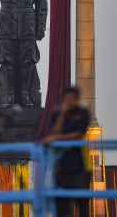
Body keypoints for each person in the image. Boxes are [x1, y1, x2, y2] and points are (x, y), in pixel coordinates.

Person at [42, 86, 91, 217]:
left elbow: (78, 134)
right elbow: (54, 131)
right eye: (66, 98)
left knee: (82, 206)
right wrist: (63, 114)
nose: (68, 101)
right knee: (62, 206)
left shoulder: (83, 113)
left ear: (77, 100)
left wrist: (57, 138)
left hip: (80, 166)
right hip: (61, 167)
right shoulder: (57, 114)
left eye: (72, 99)